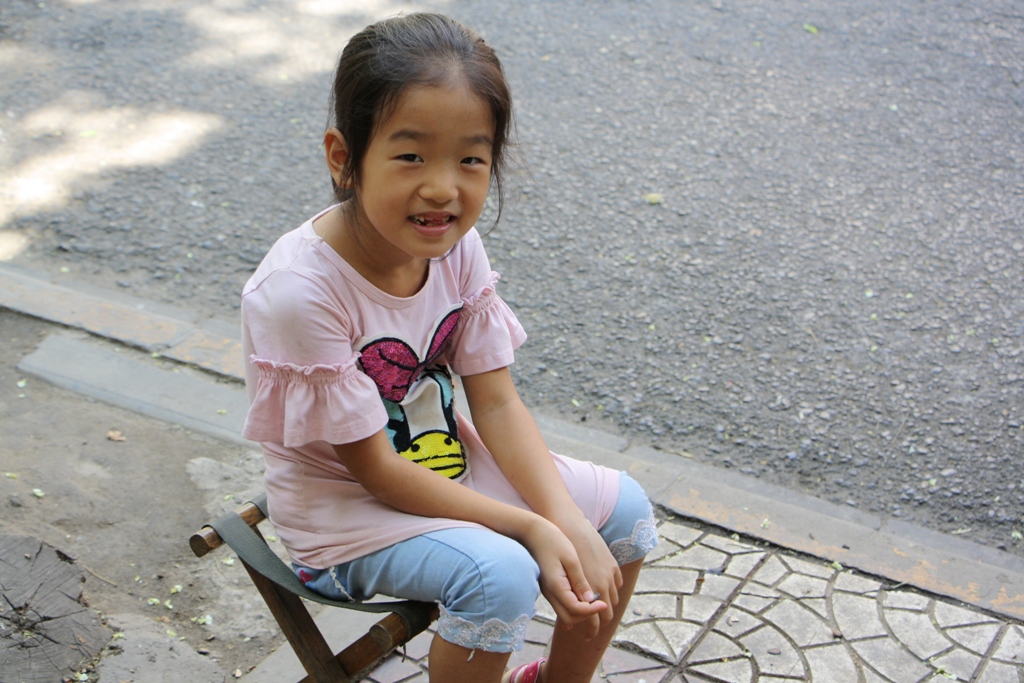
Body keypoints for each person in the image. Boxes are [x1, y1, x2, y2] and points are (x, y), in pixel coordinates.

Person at [240, 13, 657, 683]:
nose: (443, 187)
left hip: (445, 463)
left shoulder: (454, 245)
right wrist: (532, 527)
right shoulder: (299, 291)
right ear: (343, 159)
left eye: (471, 157)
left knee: (625, 508)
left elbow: (494, 403)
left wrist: (560, 515)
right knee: (503, 574)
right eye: (411, 155)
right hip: (345, 511)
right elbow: (375, 470)